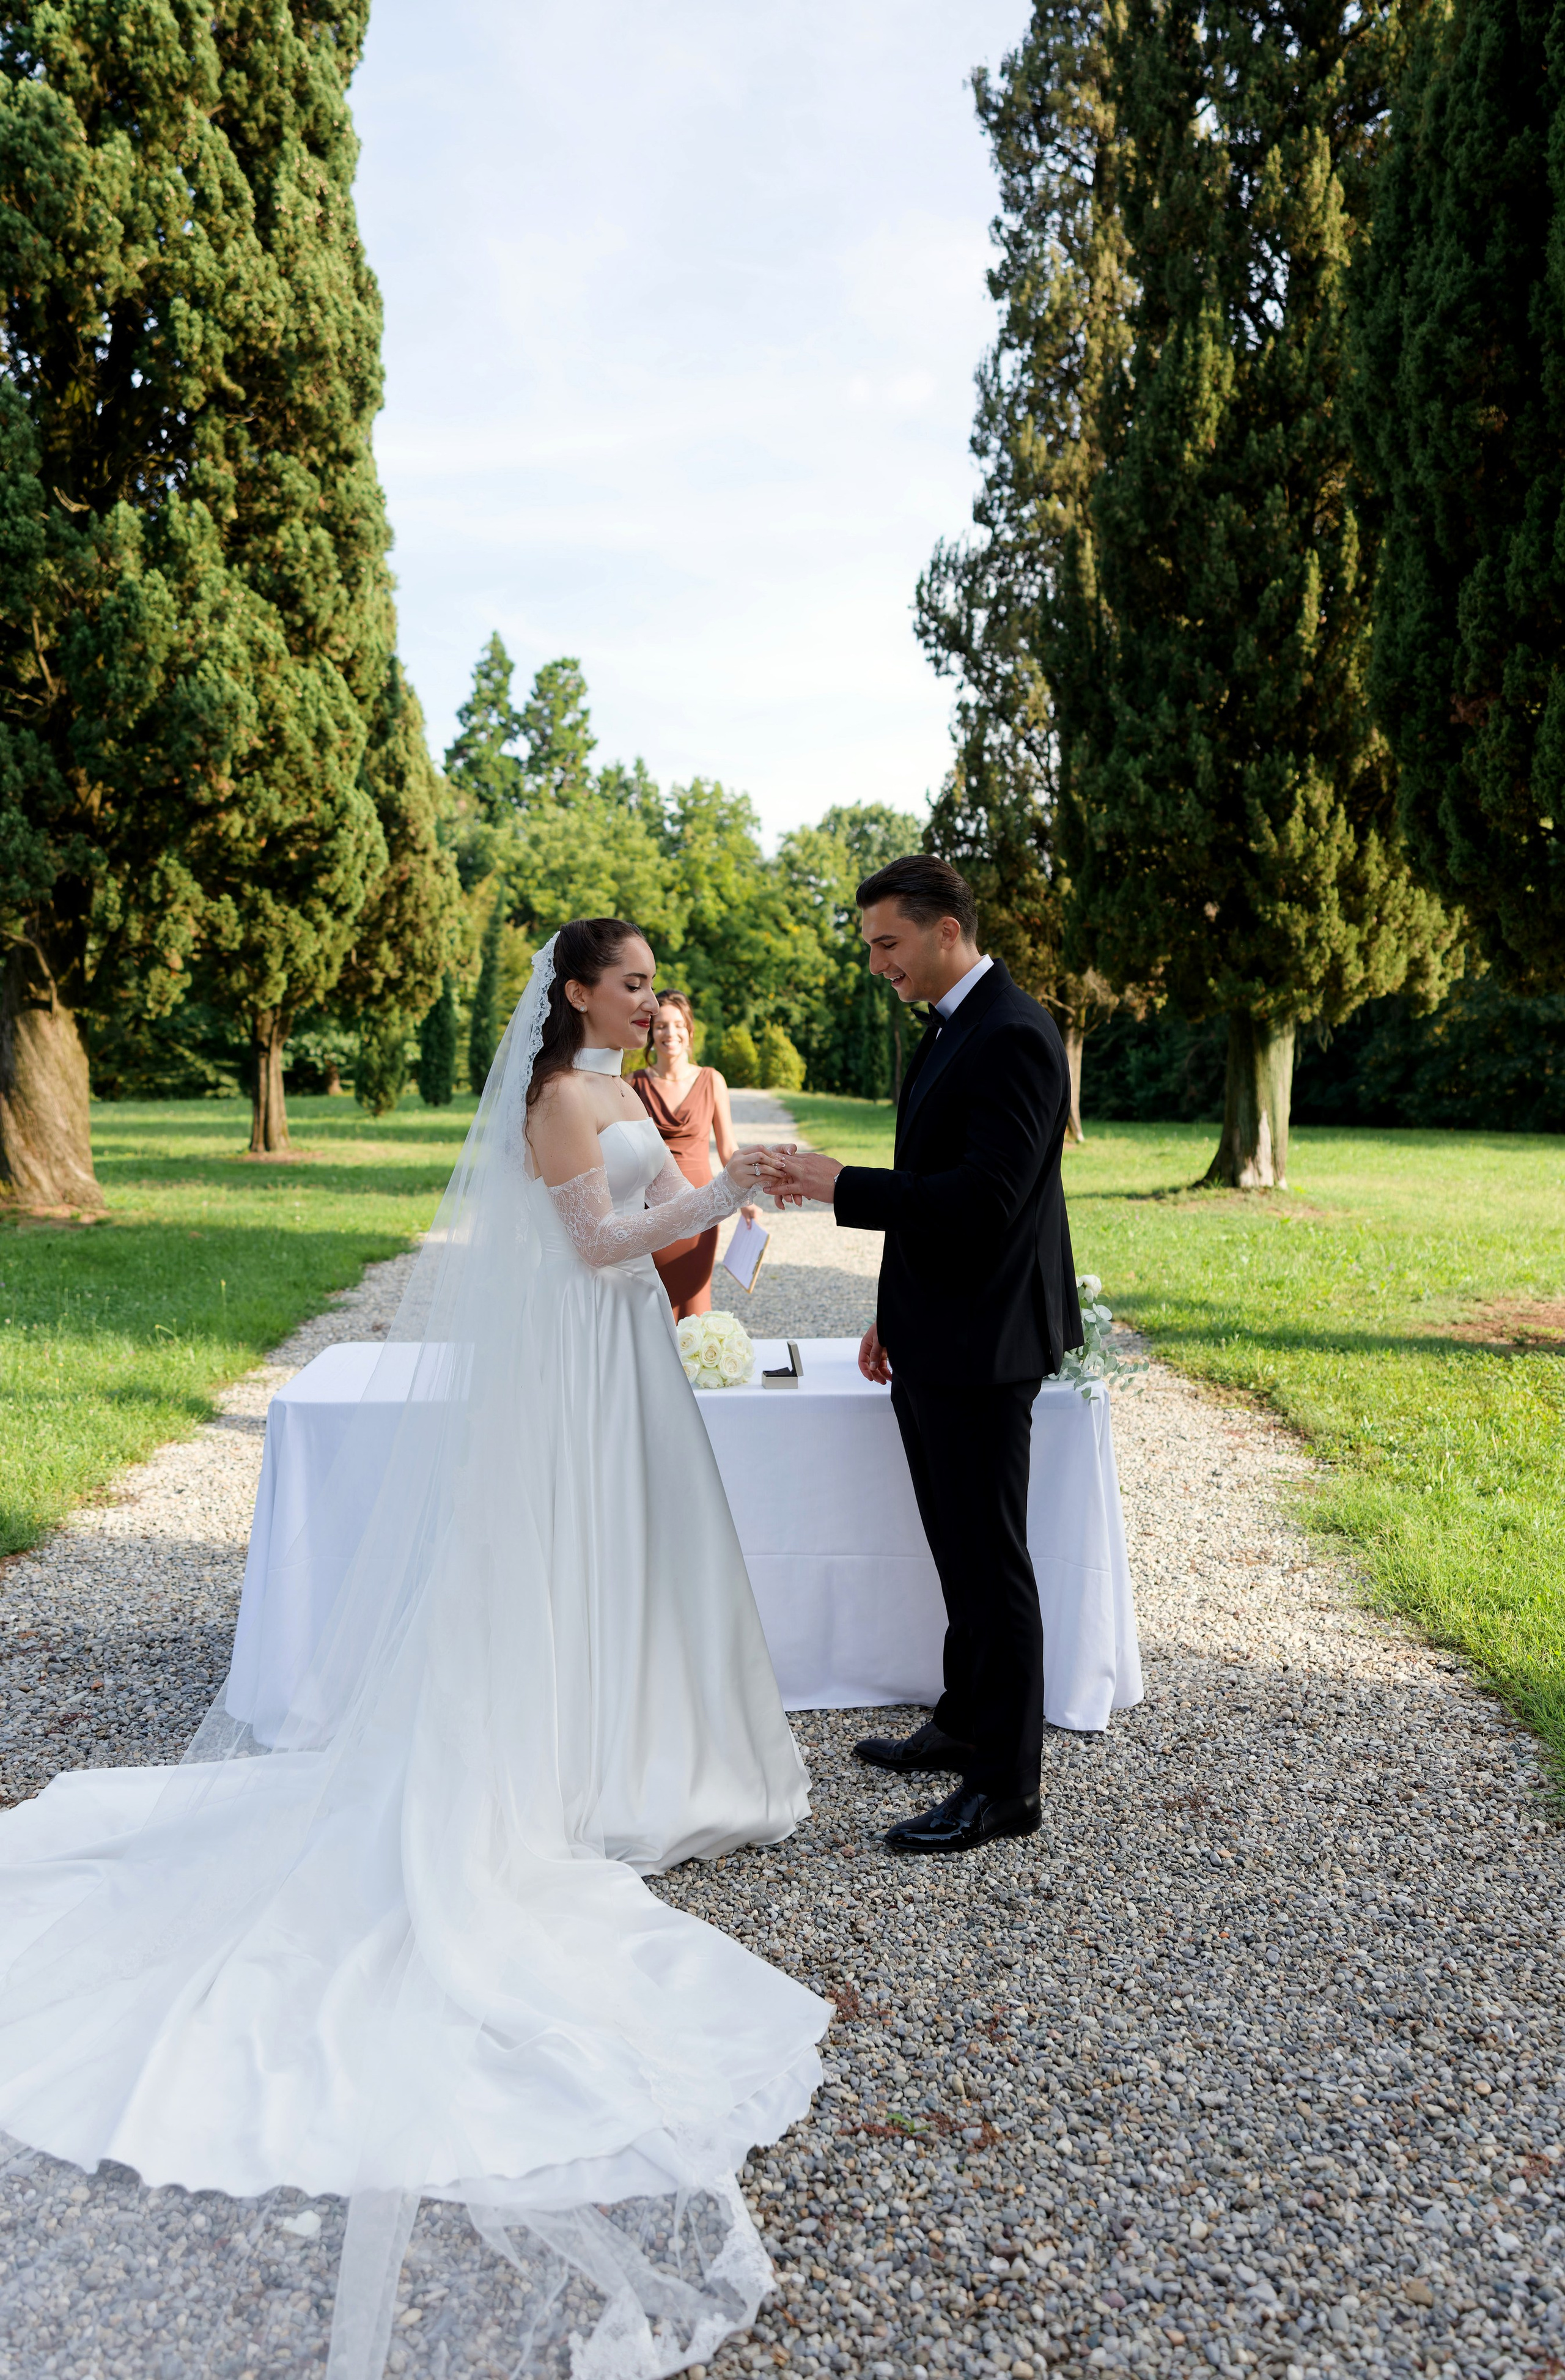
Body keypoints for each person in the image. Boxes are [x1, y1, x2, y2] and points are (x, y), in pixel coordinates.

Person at [0, 918, 828, 2380]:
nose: (650, 999)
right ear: (577, 992)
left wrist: (714, 1179)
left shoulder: (611, 1083)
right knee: (571, 1559)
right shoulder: (561, 1096)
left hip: (625, 1354)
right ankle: (575, 1769)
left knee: (637, 1558)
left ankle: (639, 1748)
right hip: (579, 1360)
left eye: (651, 984)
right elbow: (592, 1244)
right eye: (632, 982)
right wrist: (726, 1184)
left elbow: (646, 1226)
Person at [761, 856, 1081, 1858]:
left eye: (887, 943)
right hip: (937, 1329)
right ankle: (963, 1720)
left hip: (988, 1341)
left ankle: (1006, 1787)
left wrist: (837, 1183)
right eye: (871, 946)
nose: (877, 965)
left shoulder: (1014, 1033)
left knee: (991, 1563)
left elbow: (985, 1201)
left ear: (947, 929)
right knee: (955, 1549)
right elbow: (934, 1186)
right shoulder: (952, 1025)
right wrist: (890, 1311)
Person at [631, 989, 760, 1317]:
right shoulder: (632, 1085)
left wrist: (744, 1200)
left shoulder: (712, 1080)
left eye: (678, 1025)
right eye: (661, 1025)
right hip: (650, 1208)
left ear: (689, 1031)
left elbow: (728, 1149)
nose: (669, 1033)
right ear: (651, 1032)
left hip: (703, 1203)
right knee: (652, 1300)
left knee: (695, 1297)